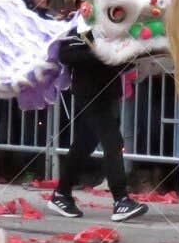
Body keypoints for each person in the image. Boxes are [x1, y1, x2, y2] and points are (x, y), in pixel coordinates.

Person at [48, 33, 149, 225]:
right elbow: (66, 55)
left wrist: (129, 56)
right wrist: (100, 54)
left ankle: (61, 193)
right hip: (88, 94)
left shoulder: (115, 28)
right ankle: (121, 200)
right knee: (113, 142)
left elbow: (120, 64)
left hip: (107, 93)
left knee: (83, 145)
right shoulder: (82, 27)